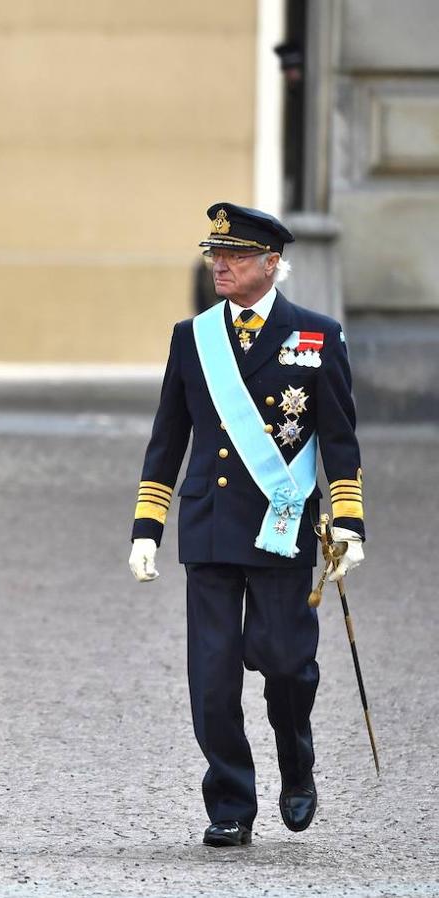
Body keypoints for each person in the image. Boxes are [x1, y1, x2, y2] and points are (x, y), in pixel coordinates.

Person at [128, 203, 365, 847]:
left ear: (271, 263)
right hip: (207, 527)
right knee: (211, 677)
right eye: (214, 254)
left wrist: (349, 521)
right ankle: (230, 801)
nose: (220, 265)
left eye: (233, 255)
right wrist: (147, 527)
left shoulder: (316, 337)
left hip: (279, 526)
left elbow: (340, 441)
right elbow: (166, 441)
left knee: (287, 664)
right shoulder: (193, 337)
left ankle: (296, 761)